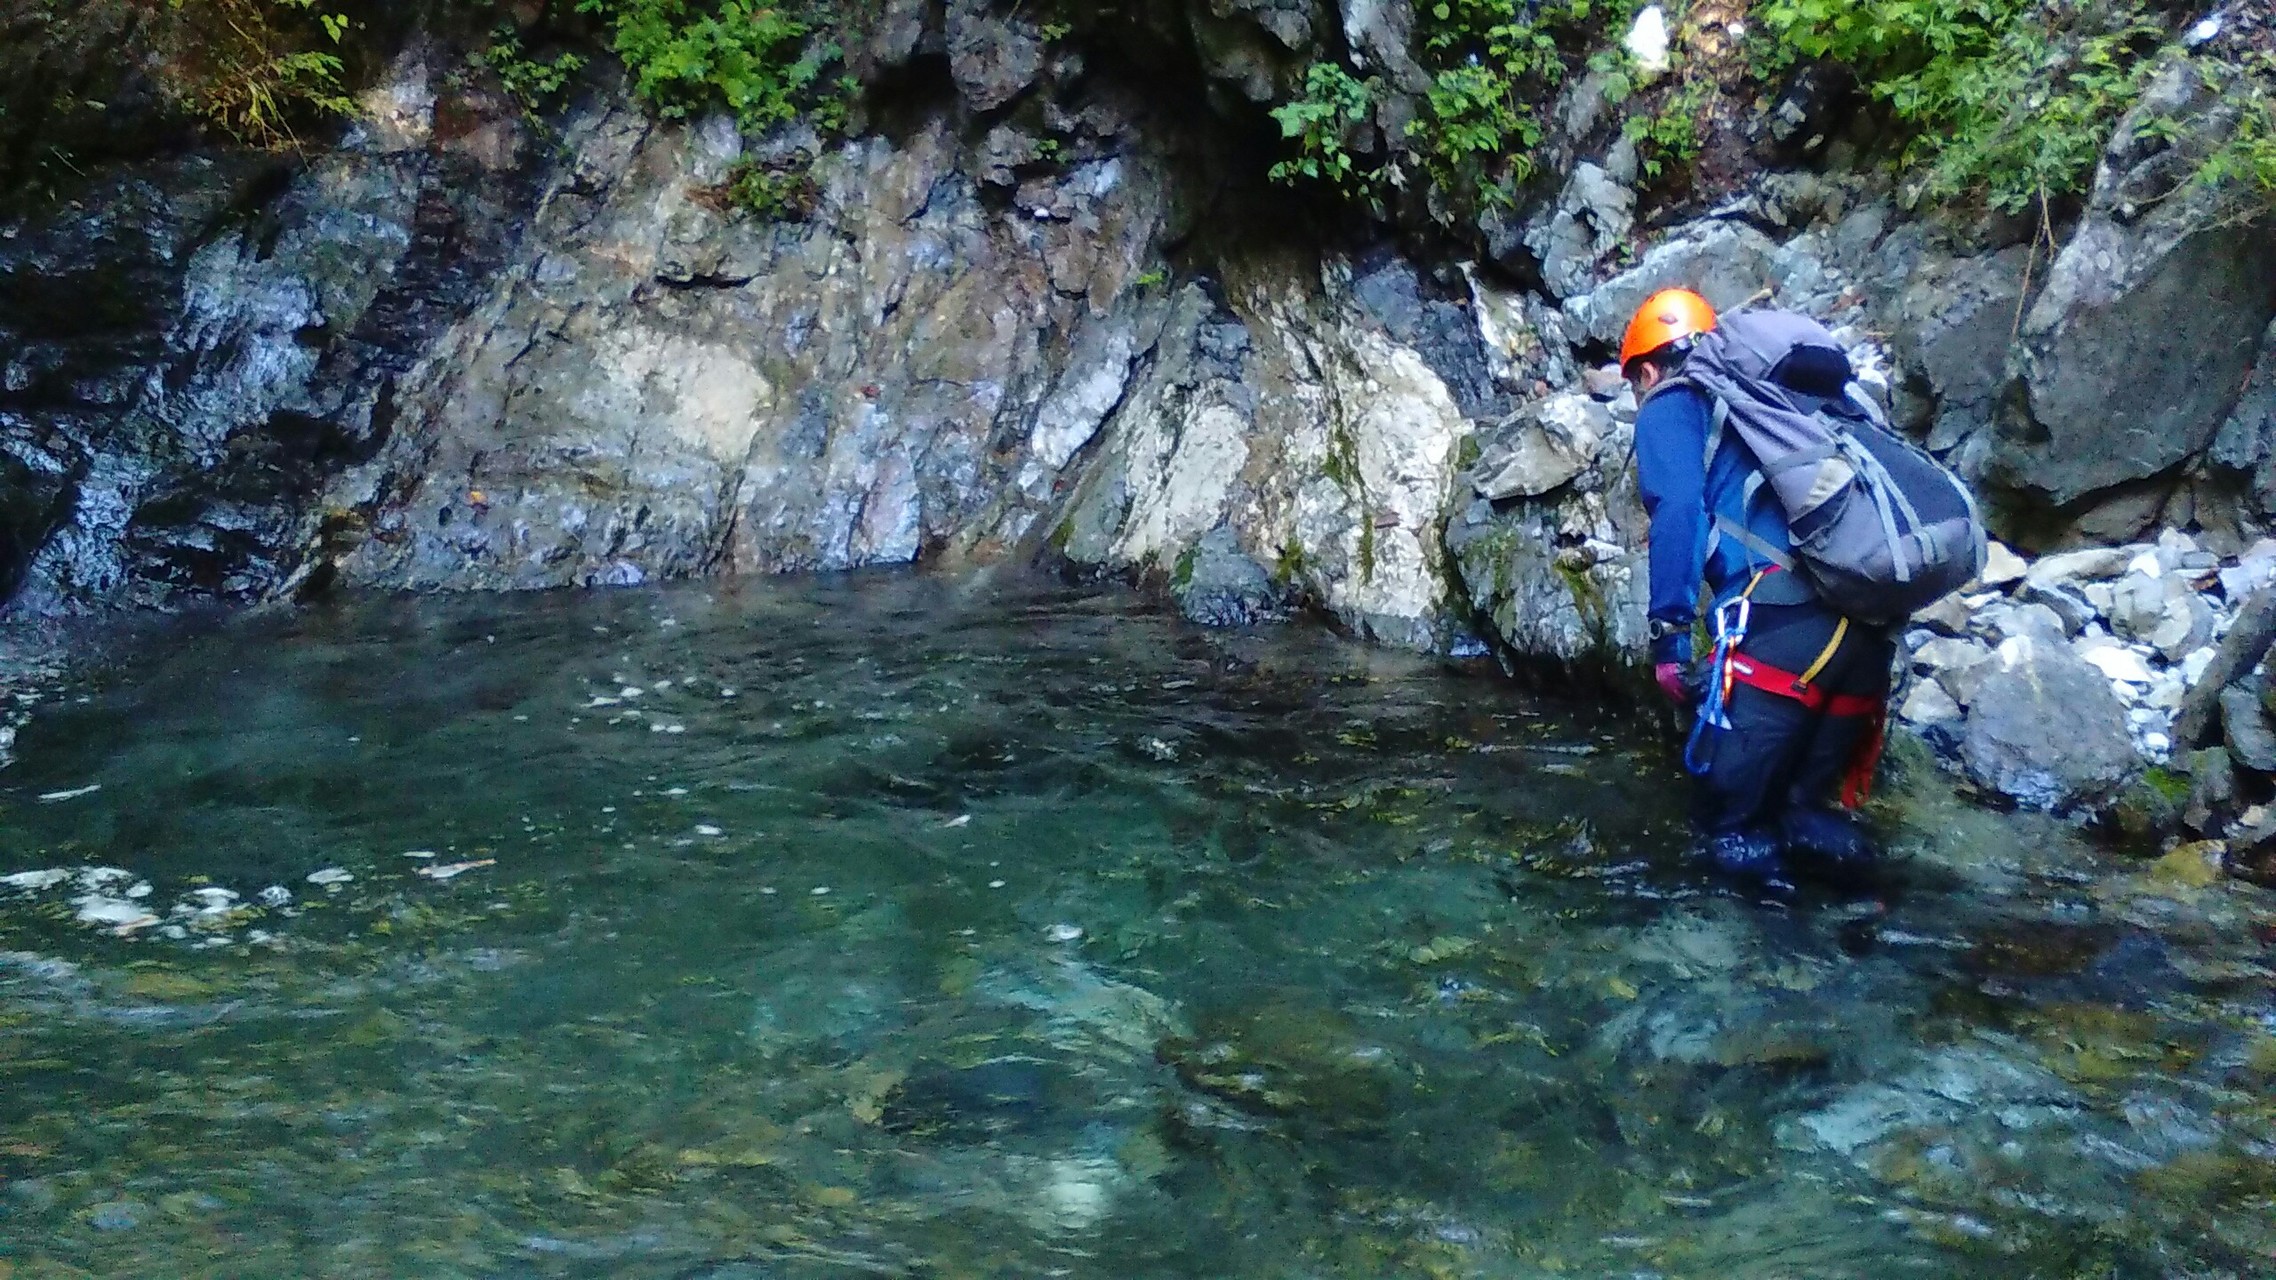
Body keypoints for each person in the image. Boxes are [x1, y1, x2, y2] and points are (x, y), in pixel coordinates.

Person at [1622, 288, 1895, 894]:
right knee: (1803, 815)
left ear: (1646, 370)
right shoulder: (1786, 405)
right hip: (1868, 635)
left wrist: (1668, 641)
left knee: (1731, 829)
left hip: (1784, 633)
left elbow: (1678, 510)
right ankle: (1869, 933)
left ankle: (1750, 975)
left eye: (1634, 385)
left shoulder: (1672, 401)